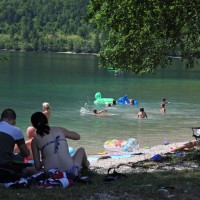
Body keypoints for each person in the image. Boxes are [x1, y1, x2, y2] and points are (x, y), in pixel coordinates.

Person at [0, 108, 31, 176]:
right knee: (24, 152)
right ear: (10, 118)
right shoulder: (16, 130)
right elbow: (26, 153)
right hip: (4, 165)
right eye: (14, 120)